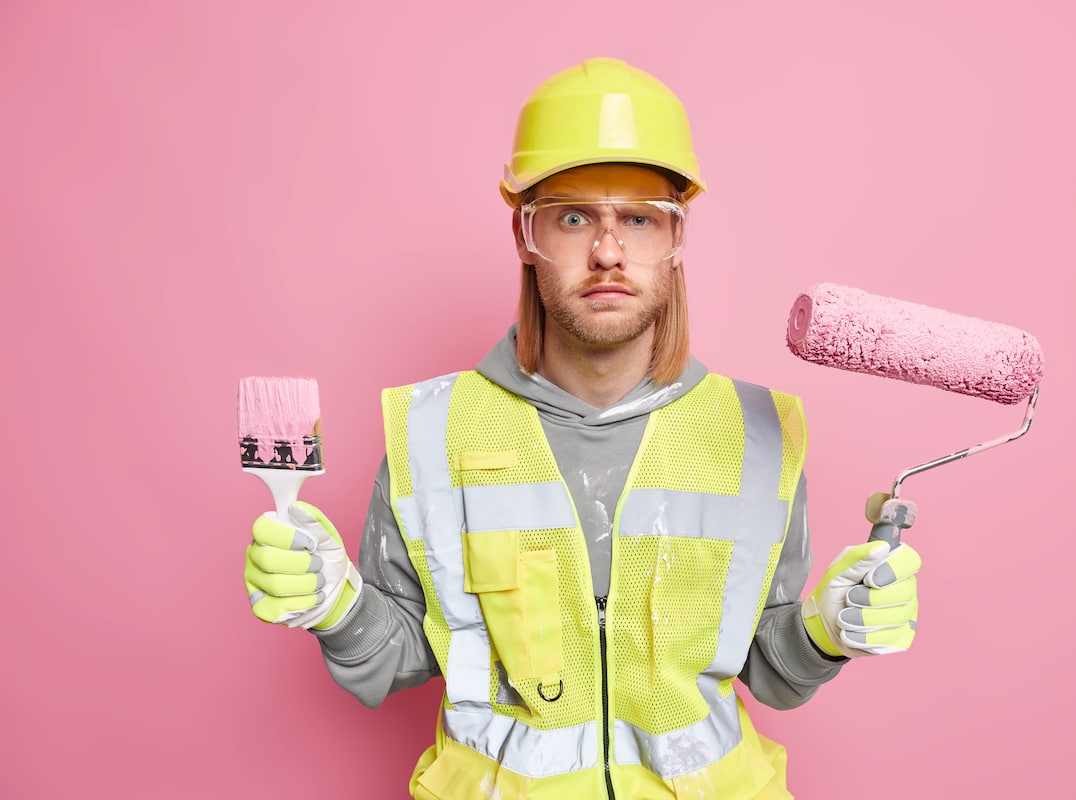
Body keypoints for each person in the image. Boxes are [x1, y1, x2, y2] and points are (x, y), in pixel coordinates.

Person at [243, 57, 921, 800]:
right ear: (524, 236)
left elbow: (767, 670)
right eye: (573, 217)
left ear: (676, 239)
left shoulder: (755, 435)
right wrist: (335, 606)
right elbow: (403, 654)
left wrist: (828, 629)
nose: (607, 251)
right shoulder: (431, 432)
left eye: (638, 218)